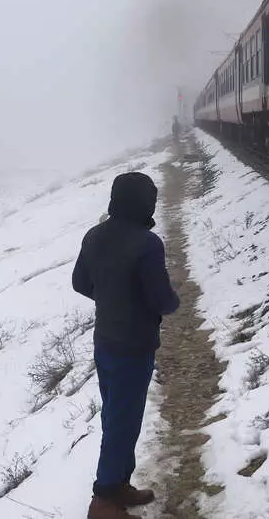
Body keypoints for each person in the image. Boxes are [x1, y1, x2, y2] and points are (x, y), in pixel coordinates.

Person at [71, 171, 180, 519]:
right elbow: (162, 300)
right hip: (134, 345)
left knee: (118, 416)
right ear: (144, 202)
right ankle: (104, 501)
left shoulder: (94, 235)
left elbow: (79, 282)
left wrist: (110, 298)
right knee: (123, 420)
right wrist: (168, 303)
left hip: (104, 341)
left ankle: (118, 485)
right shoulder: (147, 244)